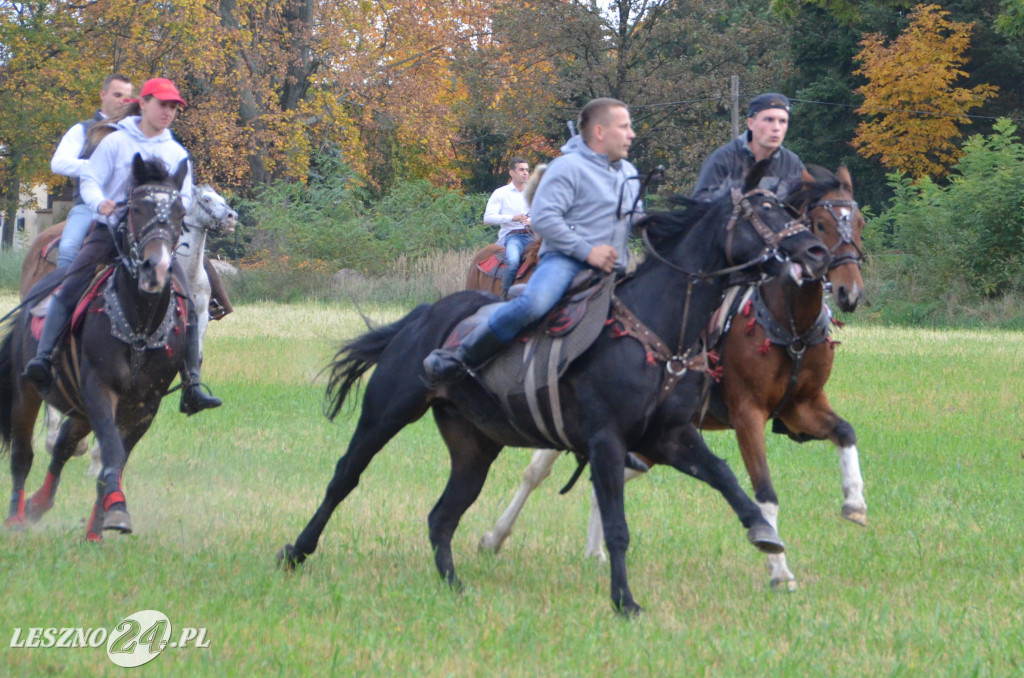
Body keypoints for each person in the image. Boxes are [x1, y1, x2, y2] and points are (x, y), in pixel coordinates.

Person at [24, 77, 222, 416]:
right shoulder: (115, 143)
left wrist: (169, 215)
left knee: (186, 299)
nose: (169, 112)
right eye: (163, 104)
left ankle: (192, 385)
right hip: (111, 232)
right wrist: (99, 202)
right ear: (143, 104)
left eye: (174, 107)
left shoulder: (176, 152)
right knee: (71, 282)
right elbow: (90, 179)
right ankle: (43, 360)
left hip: (152, 239)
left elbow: (185, 196)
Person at [424, 97, 641, 385]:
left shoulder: (629, 172)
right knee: (534, 304)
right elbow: (543, 219)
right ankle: (460, 356)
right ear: (600, 131)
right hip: (564, 259)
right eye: (624, 127)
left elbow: (635, 217)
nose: (631, 134)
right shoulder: (566, 169)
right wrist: (587, 252)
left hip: (615, 265)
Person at [50, 74, 134, 269]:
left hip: (130, 210)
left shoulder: (135, 133)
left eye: (127, 97)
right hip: (87, 208)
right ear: (102, 95)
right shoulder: (83, 129)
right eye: (117, 95)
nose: (123, 101)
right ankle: (64, 297)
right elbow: (58, 163)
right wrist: (96, 167)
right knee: (69, 249)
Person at [692, 92, 805, 204]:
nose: (776, 128)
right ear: (751, 124)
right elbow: (700, 205)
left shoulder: (792, 163)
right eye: (769, 120)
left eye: (783, 121)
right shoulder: (724, 159)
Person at [483, 157, 533, 297]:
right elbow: (487, 218)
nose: (525, 173)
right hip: (513, 236)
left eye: (527, 170)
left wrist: (532, 221)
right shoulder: (501, 193)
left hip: (534, 235)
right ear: (512, 173)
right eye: (521, 170)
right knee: (513, 261)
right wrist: (512, 217)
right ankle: (504, 296)